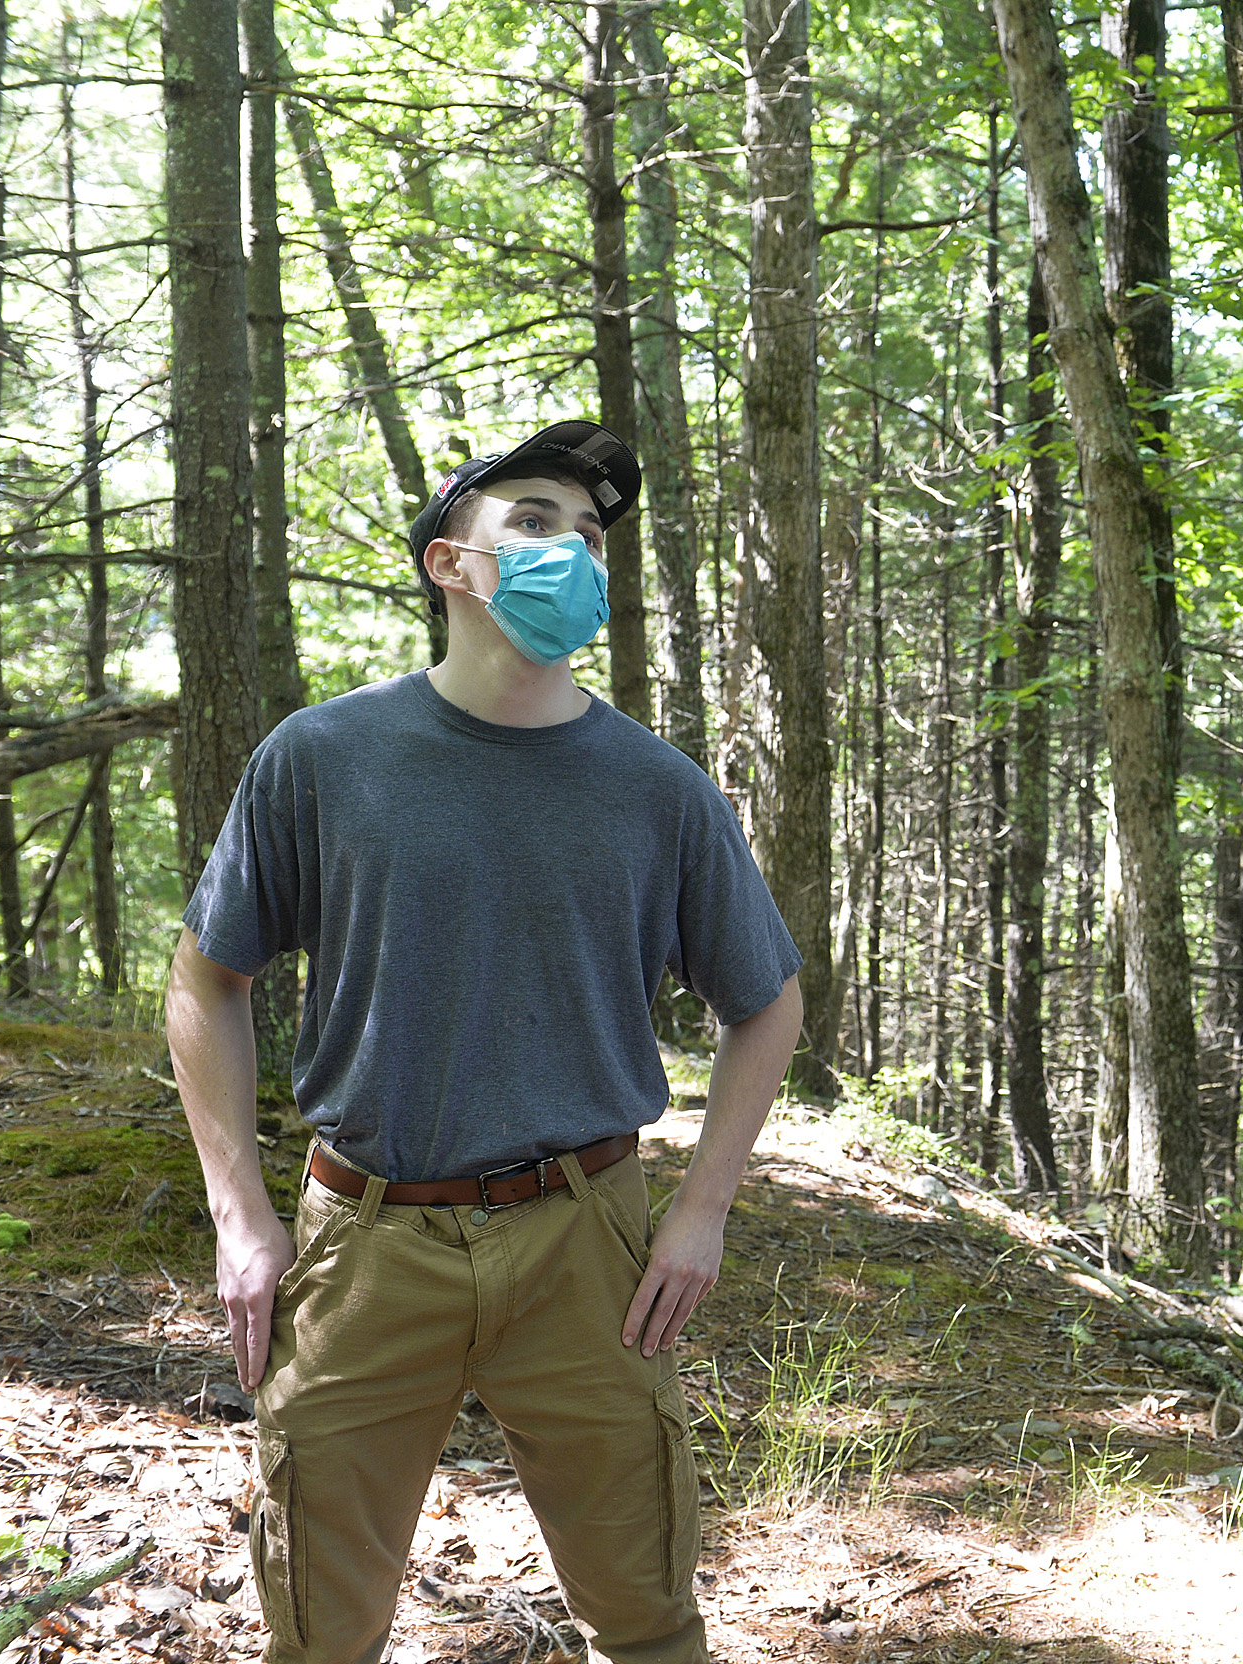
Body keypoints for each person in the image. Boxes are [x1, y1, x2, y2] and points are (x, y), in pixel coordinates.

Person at [166, 419, 803, 1664]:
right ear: (450, 562)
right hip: (366, 1240)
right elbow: (206, 978)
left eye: (591, 532)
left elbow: (765, 1001)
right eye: (535, 519)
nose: (572, 548)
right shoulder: (323, 758)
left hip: (588, 1244)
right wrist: (241, 1213)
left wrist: (702, 1209)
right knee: (318, 1630)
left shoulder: (658, 787)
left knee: (650, 1615)